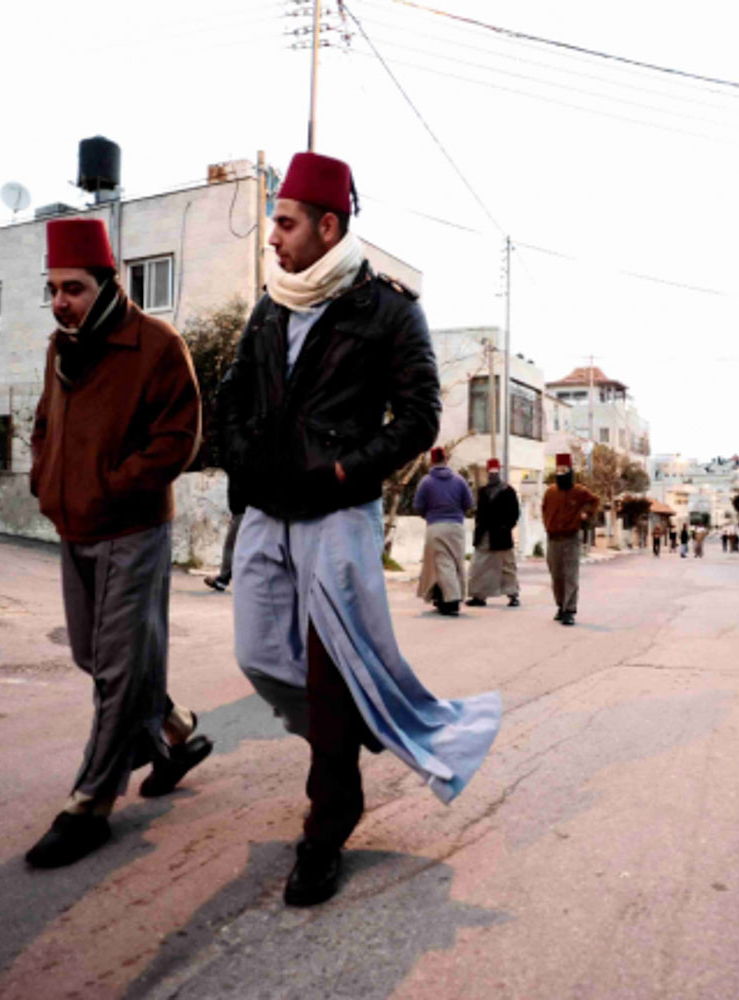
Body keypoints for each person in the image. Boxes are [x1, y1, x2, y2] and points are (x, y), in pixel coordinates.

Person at [220, 151, 501, 907]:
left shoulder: (389, 309)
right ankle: (351, 728)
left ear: (327, 225)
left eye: (283, 222)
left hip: (337, 513)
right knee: (255, 652)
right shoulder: (269, 303)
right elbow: (237, 394)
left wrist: (346, 472)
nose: (271, 237)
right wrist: (244, 464)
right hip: (266, 510)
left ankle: (329, 816)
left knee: (329, 666)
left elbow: (418, 419)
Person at [24, 217, 214, 869]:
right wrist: (44, 479)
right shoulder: (60, 348)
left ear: (106, 282)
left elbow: (179, 437)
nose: (59, 301)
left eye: (71, 288)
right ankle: (171, 728)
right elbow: (44, 424)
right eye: (51, 288)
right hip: (72, 525)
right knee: (92, 654)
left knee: (114, 668)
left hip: (132, 527)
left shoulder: (156, 345)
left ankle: (89, 803)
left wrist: (114, 485)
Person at [414, 446, 474, 615]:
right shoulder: (460, 480)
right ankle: (447, 596)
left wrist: (429, 515)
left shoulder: (426, 482)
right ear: (446, 459)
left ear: (431, 461)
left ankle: (451, 600)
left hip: (436, 526)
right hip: (456, 527)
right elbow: (469, 504)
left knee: (440, 563)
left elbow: (418, 506)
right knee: (455, 562)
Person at [542, 453, 600, 626]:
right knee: (556, 575)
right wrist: (548, 523)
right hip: (553, 538)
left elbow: (594, 501)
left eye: (564, 470)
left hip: (570, 537)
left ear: (570, 470)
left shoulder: (579, 491)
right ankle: (560, 606)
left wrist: (585, 514)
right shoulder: (550, 492)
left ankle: (569, 610)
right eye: (558, 470)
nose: (561, 472)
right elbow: (544, 509)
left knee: (570, 575)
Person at [467, 457, 521, 607]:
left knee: (507, 566)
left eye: (494, 472)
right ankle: (479, 595)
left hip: (502, 535)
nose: (492, 474)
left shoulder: (508, 491)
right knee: (479, 566)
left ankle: (513, 593)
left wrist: (506, 526)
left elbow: (515, 513)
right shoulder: (483, 491)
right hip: (484, 534)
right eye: (490, 472)